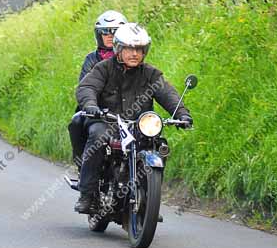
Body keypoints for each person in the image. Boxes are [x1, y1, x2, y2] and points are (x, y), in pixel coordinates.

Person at [74, 23, 193, 213]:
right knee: (98, 137)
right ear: (119, 49)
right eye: (129, 48)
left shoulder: (150, 73)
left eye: (138, 49)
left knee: (160, 145)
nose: (134, 53)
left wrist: (182, 114)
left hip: (138, 126)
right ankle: (87, 194)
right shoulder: (103, 68)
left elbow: (167, 93)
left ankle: (148, 202)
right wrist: (91, 106)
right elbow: (87, 88)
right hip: (107, 121)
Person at [68, 10, 128, 168]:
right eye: (105, 32)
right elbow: (85, 86)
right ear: (98, 35)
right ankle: (83, 165)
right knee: (76, 123)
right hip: (98, 112)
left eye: (114, 32)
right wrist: (92, 105)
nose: (110, 35)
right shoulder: (91, 59)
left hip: (127, 112)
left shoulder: (132, 58)